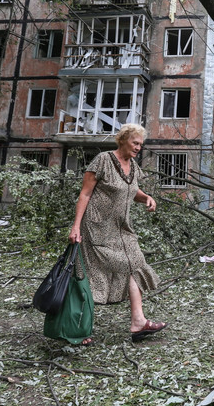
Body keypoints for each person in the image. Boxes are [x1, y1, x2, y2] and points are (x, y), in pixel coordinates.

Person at [68, 123, 167, 344]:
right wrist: (75, 227)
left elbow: (131, 190)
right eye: (135, 143)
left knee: (136, 262)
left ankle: (138, 321)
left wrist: (146, 197)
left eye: (141, 144)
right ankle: (78, 330)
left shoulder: (133, 166)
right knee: (90, 277)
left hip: (122, 229)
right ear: (123, 140)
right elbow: (85, 194)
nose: (138, 147)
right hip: (96, 228)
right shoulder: (103, 160)